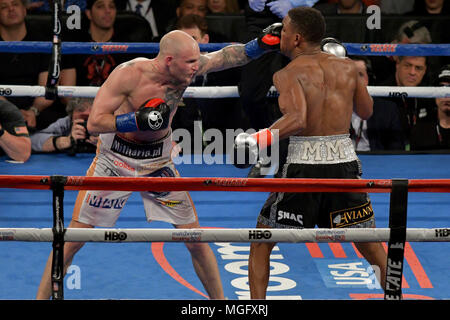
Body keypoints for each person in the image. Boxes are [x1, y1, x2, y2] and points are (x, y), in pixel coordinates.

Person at [36, 24, 282, 299]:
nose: (195, 67)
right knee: (71, 241)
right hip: (115, 160)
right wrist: (134, 119)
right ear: (168, 60)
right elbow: (94, 123)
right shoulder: (129, 75)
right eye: (190, 62)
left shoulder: (187, 68)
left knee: (196, 241)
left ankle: (221, 304)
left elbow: (227, 57)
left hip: (158, 162)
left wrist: (259, 45)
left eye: (196, 60)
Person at [233, 7, 387, 299]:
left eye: (285, 29)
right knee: (369, 242)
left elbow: (298, 120)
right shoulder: (349, 67)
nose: (280, 33)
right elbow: (366, 111)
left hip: (304, 164)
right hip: (344, 161)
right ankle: (398, 296)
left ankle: (256, 307)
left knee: (262, 239)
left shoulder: (287, 73)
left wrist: (256, 140)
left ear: (297, 38)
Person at [0, 0, 67, 131]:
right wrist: (13, 113)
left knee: (59, 120)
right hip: (2, 107)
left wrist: (33, 111)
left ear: (25, 10)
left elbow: (48, 85)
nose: (11, 9)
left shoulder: (42, 40)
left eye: (15, 4)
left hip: (36, 110)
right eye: (4, 7)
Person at [381, 55, 437, 150]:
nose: (412, 72)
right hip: (389, 155)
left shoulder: (429, 96)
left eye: (418, 68)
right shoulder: (381, 94)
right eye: (407, 65)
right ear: (397, 64)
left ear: (425, 70)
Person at [350, 56, 405, 151]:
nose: (355, 81)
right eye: (349, 75)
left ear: (368, 78)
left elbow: (397, 150)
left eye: (360, 75)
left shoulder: (388, 110)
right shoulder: (330, 108)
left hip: (378, 163)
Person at [30, 98, 98, 154]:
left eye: (94, 110)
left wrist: (105, 143)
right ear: (72, 114)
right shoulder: (67, 122)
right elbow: (32, 140)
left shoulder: (106, 123)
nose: (86, 114)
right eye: (81, 109)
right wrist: (64, 141)